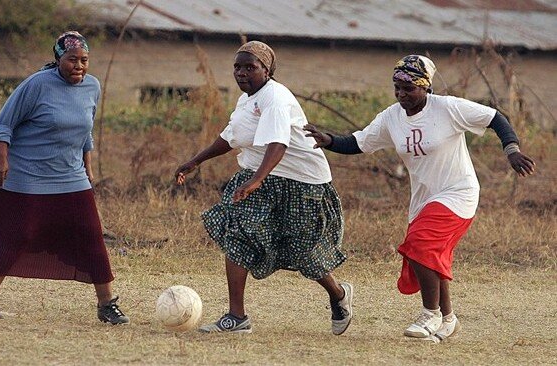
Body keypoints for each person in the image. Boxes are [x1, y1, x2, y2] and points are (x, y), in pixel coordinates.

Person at [304, 55, 535, 342]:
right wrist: (329, 140)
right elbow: (360, 142)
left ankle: (430, 313)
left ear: (425, 86)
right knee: (429, 255)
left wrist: (511, 149)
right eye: (397, 88)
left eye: (409, 87)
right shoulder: (392, 117)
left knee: (421, 244)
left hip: (458, 192)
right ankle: (449, 319)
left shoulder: (448, 108)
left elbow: (494, 118)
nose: (401, 94)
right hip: (424, 198)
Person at [174, 41, 353, 335]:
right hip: (262, 178)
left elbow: (278, 142)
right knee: (238, 234)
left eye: (250, 67)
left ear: (266, 70)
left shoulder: (276, 98)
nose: (242, 73)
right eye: (237, 67)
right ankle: (237, 317)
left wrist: (256, 179)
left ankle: (338, 295)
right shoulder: (247, 100)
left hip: (302, 184)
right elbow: (231, 137)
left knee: (303, 253)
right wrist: (195, 161)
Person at [0, 31, 129, 325]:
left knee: (92, 237)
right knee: (15, 235)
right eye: (71, 60)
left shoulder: (92, 87)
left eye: (84, 60)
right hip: (28, 176)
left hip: (71, 177)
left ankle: (107, 304)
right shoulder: (36, 85)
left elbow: (85, 132)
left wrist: (88, 167)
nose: (79, 66)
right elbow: (4, 124)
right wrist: (0, 159)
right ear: (58, 59)